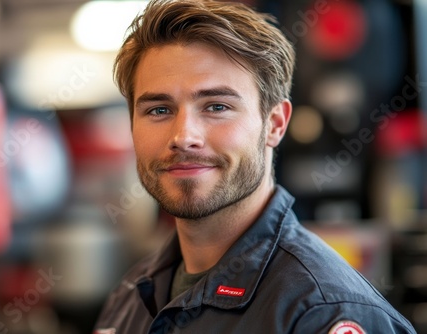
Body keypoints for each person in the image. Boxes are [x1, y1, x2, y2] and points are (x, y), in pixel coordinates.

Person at [94, 0, 416, 333]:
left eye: (216, 106)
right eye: (159, 110)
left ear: (275, 124)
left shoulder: (323, 313)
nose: (184, 136)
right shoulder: (130, 295)